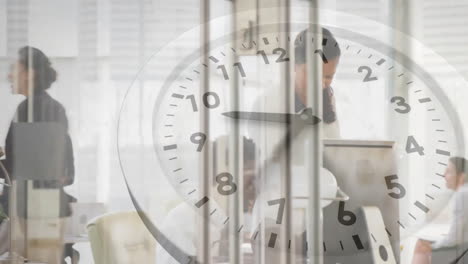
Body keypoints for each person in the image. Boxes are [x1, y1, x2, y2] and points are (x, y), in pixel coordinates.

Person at [0, 46, 76, 264]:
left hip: (38, 207)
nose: (8, 75)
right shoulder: (48, 107)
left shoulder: (33, 109)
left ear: (29, 73)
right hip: (43, 204)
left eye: (14, 68)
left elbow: (30, 167)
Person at [412, 157, 468, 264]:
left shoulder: (462, 194)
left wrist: (433, 246)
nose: (443, 175)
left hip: (461, 250)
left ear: (461, 176)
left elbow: (455, 238)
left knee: (421, 245)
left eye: (449, 171)